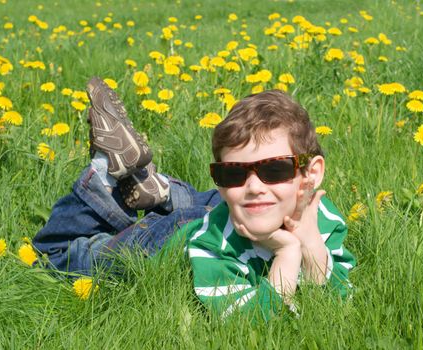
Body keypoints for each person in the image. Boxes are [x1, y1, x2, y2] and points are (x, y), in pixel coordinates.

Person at [32, 78, 355, 320]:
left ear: (311, 175)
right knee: (57, 254)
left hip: (220, 207)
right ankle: (105, 174)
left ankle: (159, 188)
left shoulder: (319, 213)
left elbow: (337, 301)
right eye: (232, 172)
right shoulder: (211, 246)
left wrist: (311, 243)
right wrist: (288, 251)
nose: (255, 185)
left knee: (231, 200)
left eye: (274, 169)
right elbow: (249, 322)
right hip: (164, 239)